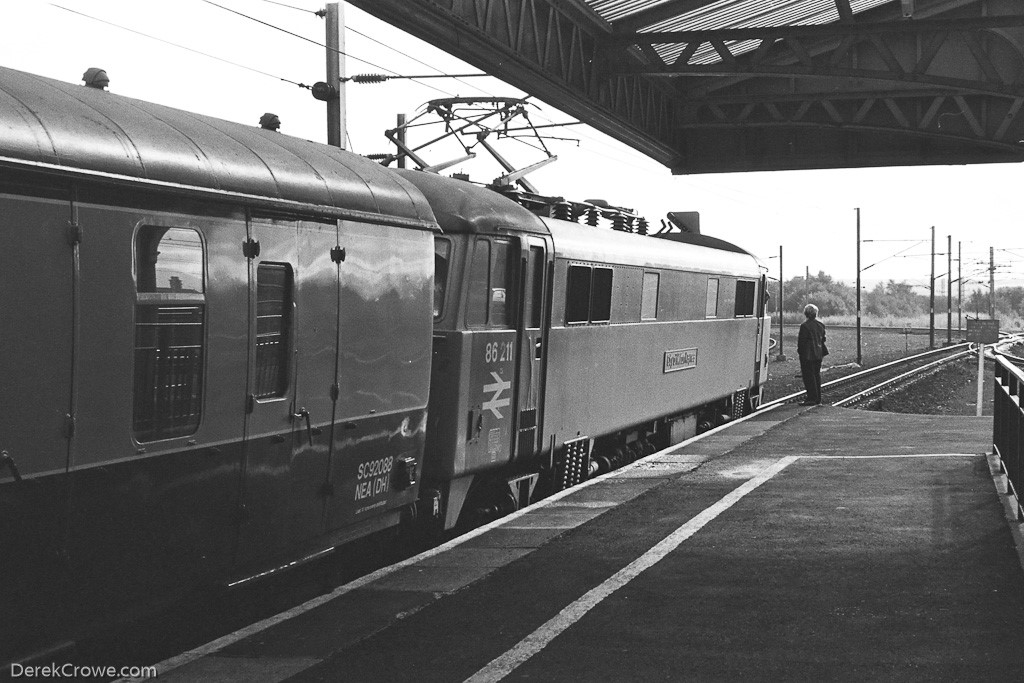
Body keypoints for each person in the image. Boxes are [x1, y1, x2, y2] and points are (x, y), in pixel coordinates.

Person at [797, 303, 828, 406]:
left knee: (808, 376)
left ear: (806, 313)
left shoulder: (804, 326)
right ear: (816, 314)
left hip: (807, 354)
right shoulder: (821, 325)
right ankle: (818, 398)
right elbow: (823, 339)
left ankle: (811, 398)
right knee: (816, 375)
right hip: (819, 353)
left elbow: (802, 342)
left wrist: (800, 352)